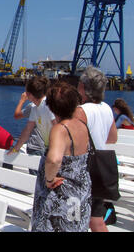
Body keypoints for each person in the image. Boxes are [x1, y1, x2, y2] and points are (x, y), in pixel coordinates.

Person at [31, 82, 91, 232]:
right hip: (79, 191)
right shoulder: (82, 124)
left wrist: (50, 180)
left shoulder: (60, 129)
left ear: (52, 107)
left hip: (60, 194)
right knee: (75, 226)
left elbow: (54, 159)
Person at [74, 66, 118, 232]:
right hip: (100, 169)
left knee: (75, 218)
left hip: (84, 171)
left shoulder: (81, 111)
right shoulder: (106, 108)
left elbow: (73, 142)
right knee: (96, 220)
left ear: (83, 87)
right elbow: (112, 138)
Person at [8, 77, 56, 155]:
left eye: (26, 91)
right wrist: (15, 150)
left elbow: (58, 127)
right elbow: (27, 131)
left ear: (30, 94)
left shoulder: (48, 106)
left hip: (58, 149)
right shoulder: (35, 108)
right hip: (49, 148)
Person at [13, 92, 45, 175]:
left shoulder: (32, 107)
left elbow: (17, 115)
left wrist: (22, 101)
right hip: (48, 146)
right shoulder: (52, 104)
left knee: (35, 178)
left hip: (36, 146)